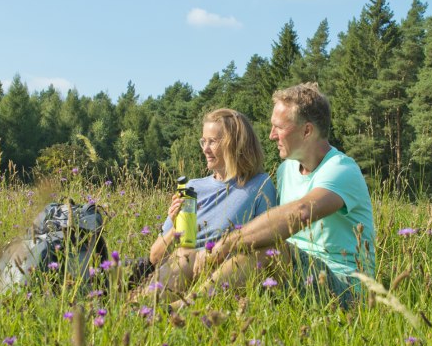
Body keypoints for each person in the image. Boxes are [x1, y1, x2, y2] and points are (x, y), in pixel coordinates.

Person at [190, 83, 375, 307]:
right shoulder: (286, 169)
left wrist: (226, 244)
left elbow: (300, 212)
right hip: (295, 276)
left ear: (307, 131)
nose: (271, 135)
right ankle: (156, 303)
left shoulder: (341, 169)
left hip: (345, 288)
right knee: (189, 256)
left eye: (278, 127)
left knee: (271, 249)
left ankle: (188, 308)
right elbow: (273, 226)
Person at [135, 108, 277, 299]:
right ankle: (142, 308)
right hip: (181, 267)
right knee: (182, 257)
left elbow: (267, 247)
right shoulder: (192, 187)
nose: (205, 149)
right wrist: (175, 226)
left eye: (212, 142)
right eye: (203, 141)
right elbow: (155, 257)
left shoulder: (259, 185)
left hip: (225, 275)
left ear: (235, 143)